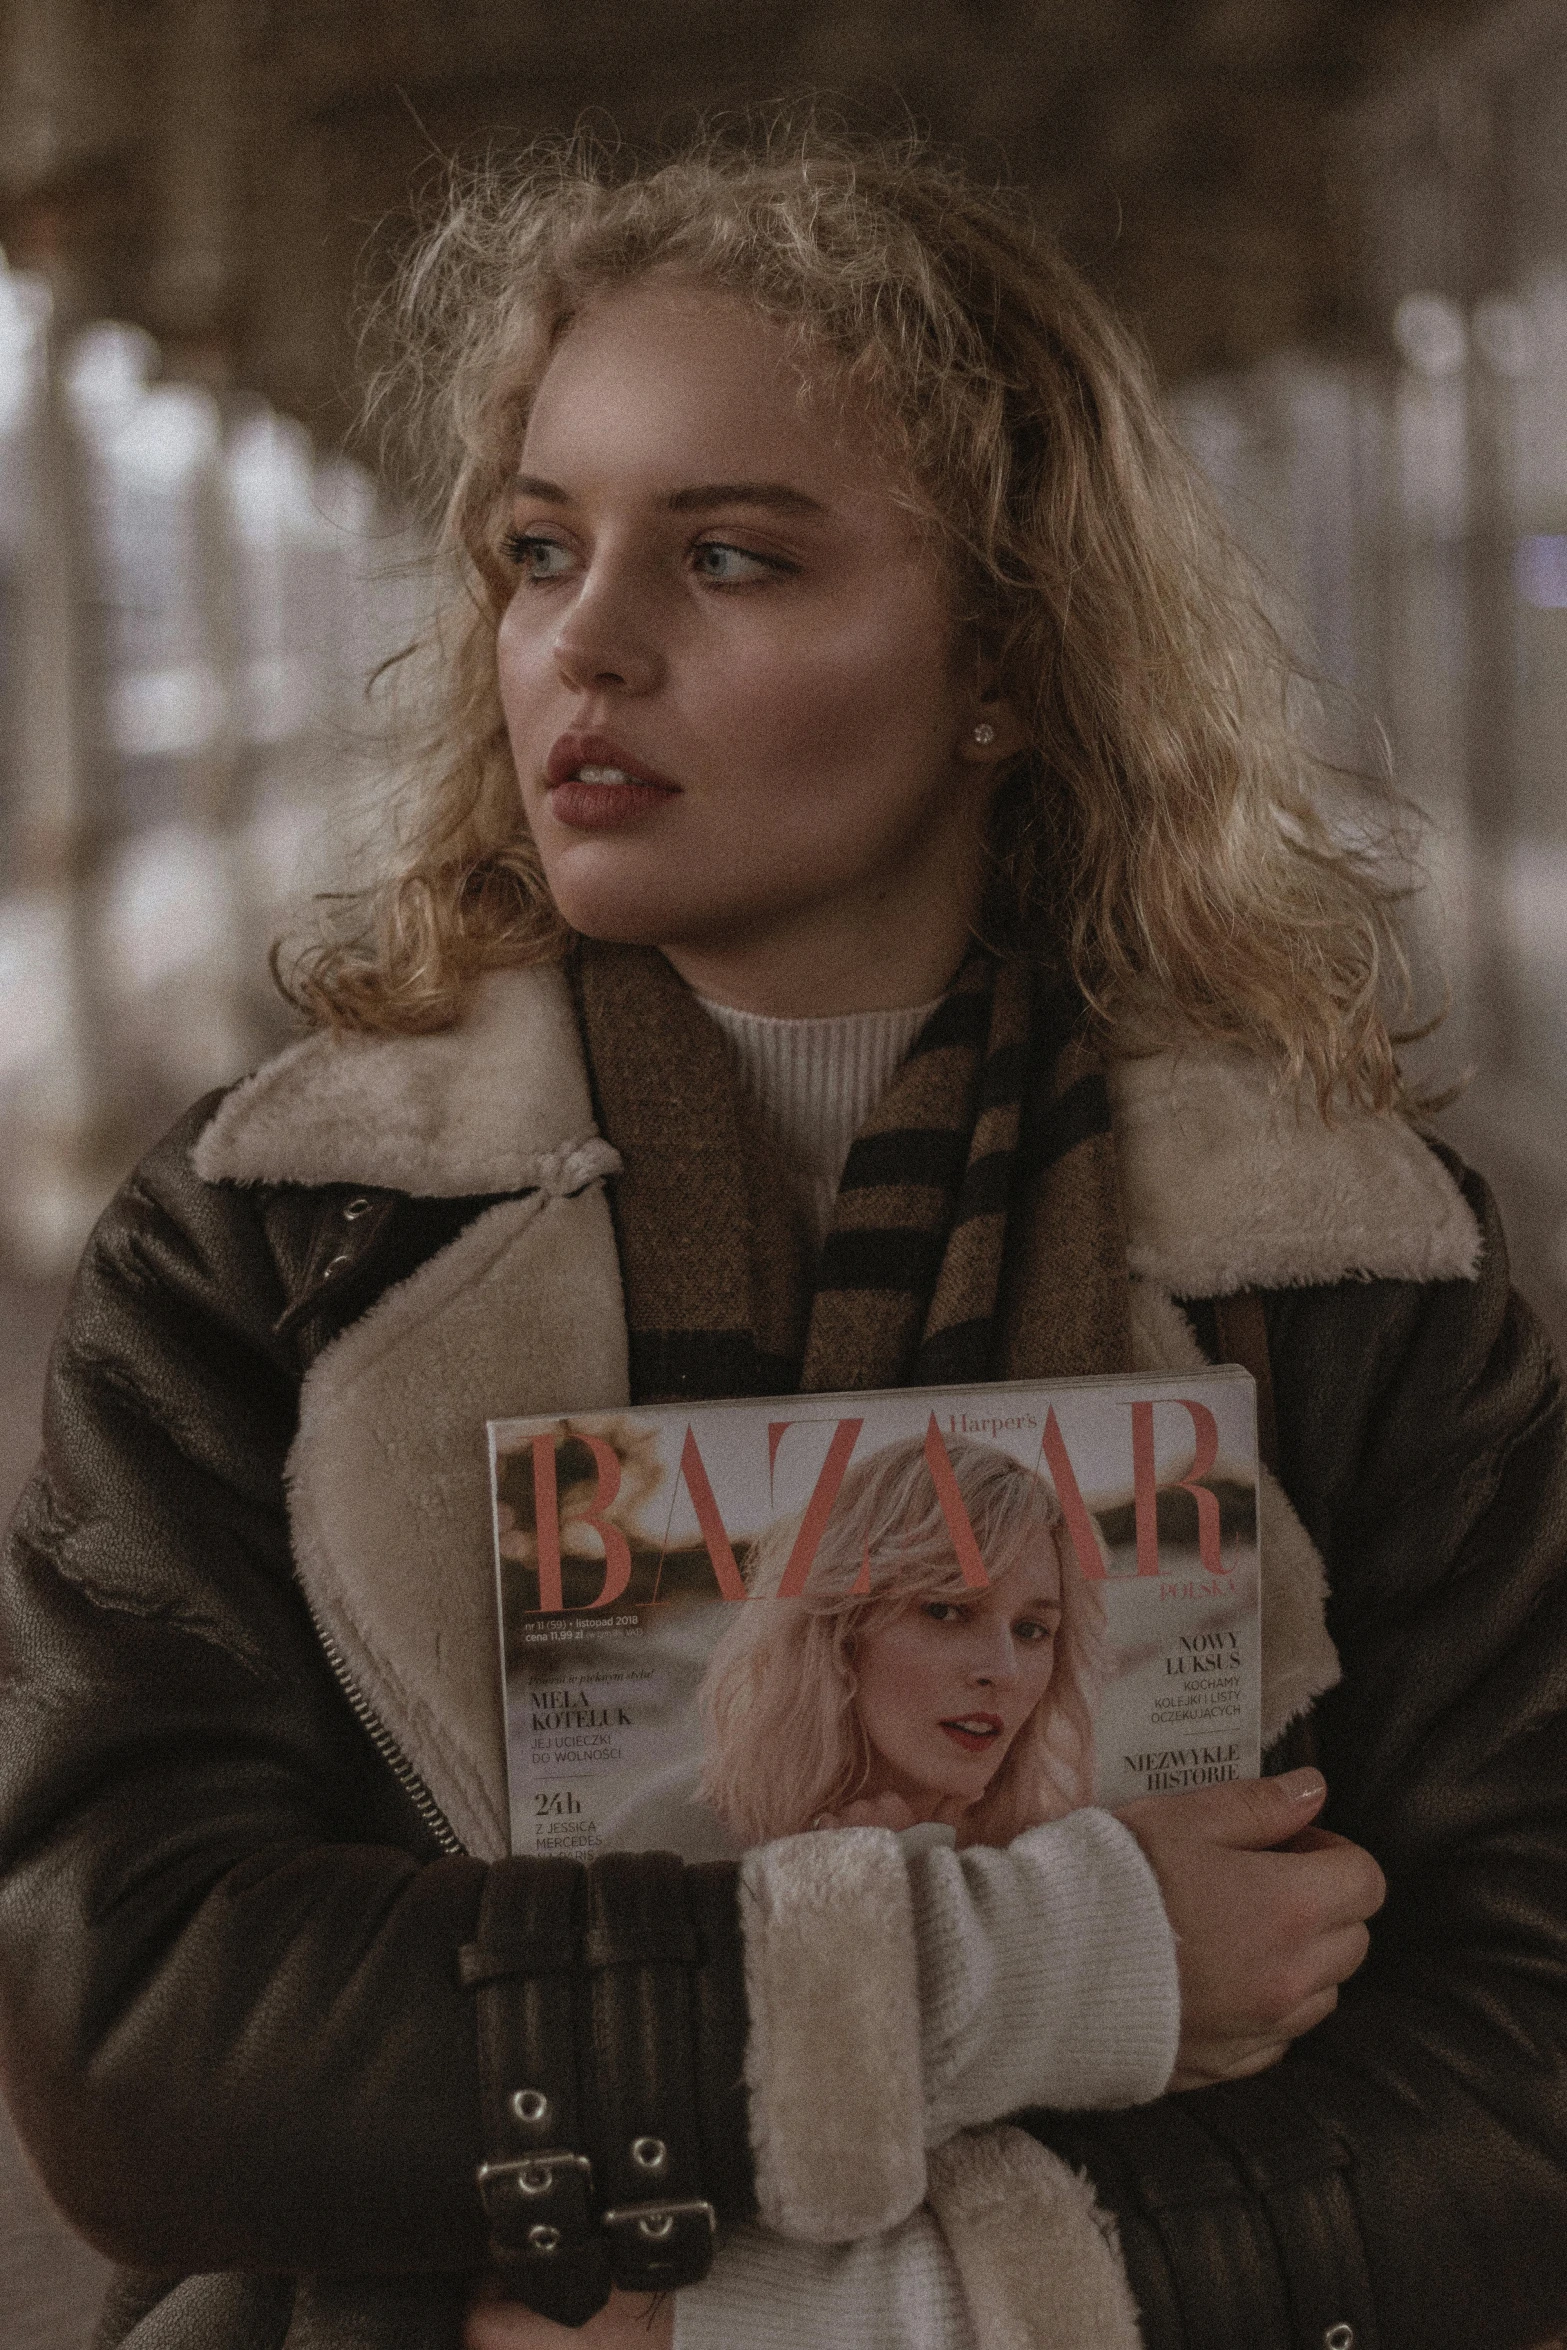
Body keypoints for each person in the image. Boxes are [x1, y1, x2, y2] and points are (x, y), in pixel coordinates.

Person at [0, 126, 1562, 2350]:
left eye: (729, 557)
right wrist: (1050, 1960)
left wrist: (862, 2313)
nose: (584, 645)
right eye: (540, 549)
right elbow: (129, 2024)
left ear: (1008, 665)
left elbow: (1527, 2065)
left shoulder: (1347, 1268)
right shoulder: (274, 1237)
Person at [698, 1433, 1105, 1848]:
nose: (1005, 1671)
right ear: (842, 1626)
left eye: (1031, 1630)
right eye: (946, 1610)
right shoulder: (683, 1834)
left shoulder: (1057, 1858)